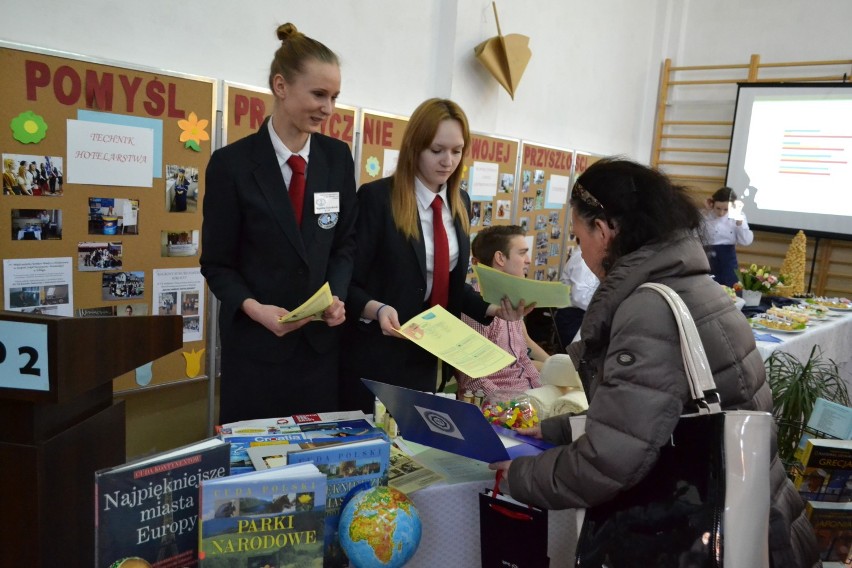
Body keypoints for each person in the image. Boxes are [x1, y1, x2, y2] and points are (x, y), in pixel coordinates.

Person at [489, 158, 819, 567]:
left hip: (708, 534)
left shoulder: (648, 309)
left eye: (578, 237)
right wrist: (556, 429)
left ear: (605, 230)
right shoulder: (697, 285)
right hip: (760, 517)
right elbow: (657, 418)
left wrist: (519, 474)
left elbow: (611, 460)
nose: (581, 251)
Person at [200, 23, 356, 424]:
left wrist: (336, 298)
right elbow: (218, 264)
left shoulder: (337, 159)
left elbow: (344, 244)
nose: (329, 108)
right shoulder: (232, 165)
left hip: (319, 353)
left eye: (335, 97)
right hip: (256, 352)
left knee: (314, 470)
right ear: (281, 86)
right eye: (319, 94)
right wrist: (256, 310)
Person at [339, 98, 531, 413]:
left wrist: (494, 309)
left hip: (428, 356)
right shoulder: (377, 199)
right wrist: (377, 309)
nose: (447, 161)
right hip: (377, 353)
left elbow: (449, 283)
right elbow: (348, 282)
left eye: (456, 151)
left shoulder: (460, 203)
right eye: (436, 150)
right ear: (415, 147)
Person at [457, 225, 548, 396]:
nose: (528, 260)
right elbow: (473, 379)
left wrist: (540, 393)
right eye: (522, 253)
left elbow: (523, 360)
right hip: (500, 406)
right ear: (500, 258)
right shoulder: (476, 309)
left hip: (524, 397)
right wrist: (514, 405)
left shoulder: (511, 302)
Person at [702, 186, 753, 287]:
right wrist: (706, 212)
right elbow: (695, 235)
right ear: (712, 204)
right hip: (707, 257)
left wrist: (740, 224)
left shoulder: (738, 215)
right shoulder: (705, 215)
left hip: (728, 259)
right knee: (708, 288)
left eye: (726, 209)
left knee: (730, 289)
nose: (721, 213)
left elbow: (746, 241)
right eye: (718, 208)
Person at [553, 246, 599, 349]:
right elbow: (579, 297)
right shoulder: (582, 258)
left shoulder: (593, 256)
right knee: (576, 356)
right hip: (573, 315)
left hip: (583, 313)